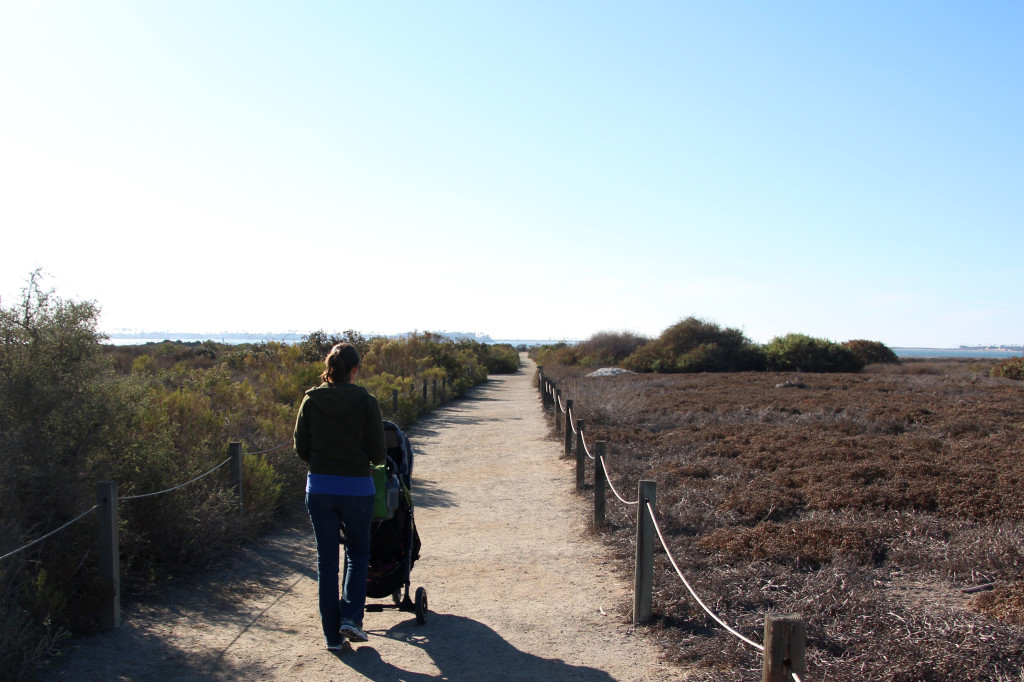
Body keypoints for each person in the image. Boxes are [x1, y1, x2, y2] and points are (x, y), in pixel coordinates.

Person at [294, 342, 386, 650]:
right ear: (355, 369)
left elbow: (302, 450)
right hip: (357, 490)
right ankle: (351, 619)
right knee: (358, 554)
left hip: (319, 488)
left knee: (326, 562)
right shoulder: (367, 402)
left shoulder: (310, 400)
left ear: (330, 368)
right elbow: (377, 453)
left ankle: (332, 637)